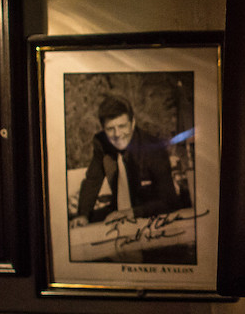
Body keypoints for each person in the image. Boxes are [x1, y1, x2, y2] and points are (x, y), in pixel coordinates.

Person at [72, 96, 181, 226]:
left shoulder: (153, 147)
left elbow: (169, 200)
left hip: (150, 216)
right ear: (103, 128)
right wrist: (83, 215)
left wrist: (132, 212)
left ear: (133, 123)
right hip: (117, 212)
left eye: (122, 126)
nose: (117, 134)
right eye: (110, 129)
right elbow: (92, 181)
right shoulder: (102, 143)